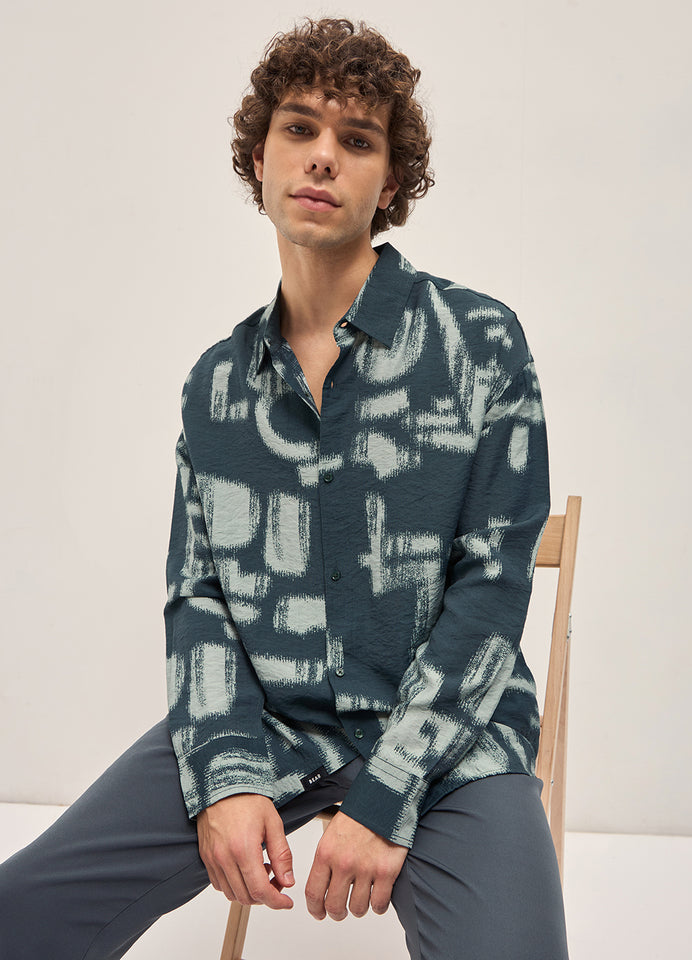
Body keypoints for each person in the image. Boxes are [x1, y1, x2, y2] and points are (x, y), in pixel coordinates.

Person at [0, 17, 569, 960]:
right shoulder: (217, 387)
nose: (322, 156)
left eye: (358, 140)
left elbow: (493, 587)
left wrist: (386, 794)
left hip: (450, 741)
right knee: (18, 913)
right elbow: (199, 599)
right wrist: (224, 775)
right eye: (300, 128)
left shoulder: (480, 344)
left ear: (392, 182)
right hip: (265, 724)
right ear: (259, 158)